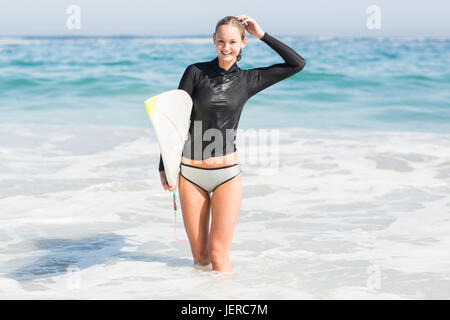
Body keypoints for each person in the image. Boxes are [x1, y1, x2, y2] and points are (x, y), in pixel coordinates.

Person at [158, 14, 306, 272]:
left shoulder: (249, 80)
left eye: (233, 42)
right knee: (200, 258)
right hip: (190, 175)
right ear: (213, 41)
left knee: (218, 256)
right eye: (221, 41)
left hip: (226, 175)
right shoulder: (195, 73)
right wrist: (164, 166)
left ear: (243, 44)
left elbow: (297, 64)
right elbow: (174, 121)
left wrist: (262, 35)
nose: (226, 47)